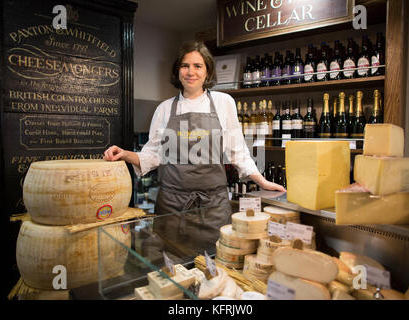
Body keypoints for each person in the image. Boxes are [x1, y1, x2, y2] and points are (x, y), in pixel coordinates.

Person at [103, 41, 285, 257]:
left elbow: (237, 150)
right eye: (185, 65)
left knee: (215, 264)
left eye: (198, 66)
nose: (191, 72)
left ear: (207, 71)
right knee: (172, 265)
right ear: (177, 70)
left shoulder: (223, 102)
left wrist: (262, 181)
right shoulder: (164, 109)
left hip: (212, 207)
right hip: (171, 206)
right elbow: (153, 155)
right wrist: (124, 154)